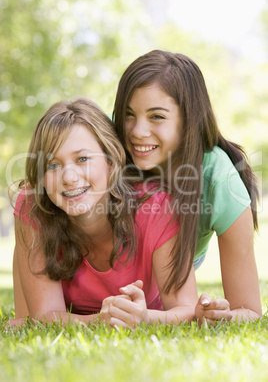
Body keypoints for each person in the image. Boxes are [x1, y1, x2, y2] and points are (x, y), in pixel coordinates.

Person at [9, 98, 198, 328]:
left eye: (83, 159)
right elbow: (45, 316)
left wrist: (145, 318)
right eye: (53, 165)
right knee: (22, 323)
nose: (68, 178)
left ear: (111, 162)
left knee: (22, 324)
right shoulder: (33, 207)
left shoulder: (157, 207)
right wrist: (102, 320)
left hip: (146, 313)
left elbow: (187, 310)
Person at [113, 49, 262, 324]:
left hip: (168, 295)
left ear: (189, 119)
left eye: (156, 116)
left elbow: (249, 309)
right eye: (129, 114)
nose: (136, 131)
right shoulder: (112, 160)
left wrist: (221, 315)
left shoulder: (220, 180)